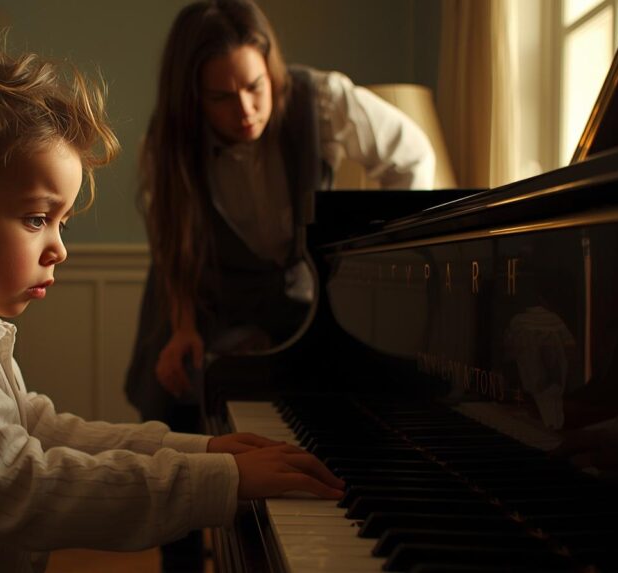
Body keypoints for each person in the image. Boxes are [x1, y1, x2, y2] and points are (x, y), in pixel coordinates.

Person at [0, 36, 344, 573]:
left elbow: (35, 427)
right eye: (38, 218)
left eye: (61, 222)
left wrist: (202, 450)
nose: (59, 247)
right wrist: (223, 481)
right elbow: (21, 491)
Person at [124, 1, 436, 569]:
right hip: (200, 289)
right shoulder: (165, 144)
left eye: (254, 87)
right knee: (176, 413)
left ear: (271, 69)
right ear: (192, 98)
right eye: (220, 96)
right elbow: (172, 244)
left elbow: (412, 156)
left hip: (294, 296)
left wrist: (378, 256)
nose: (244, 110)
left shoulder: (323, 100)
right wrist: (184, 326)